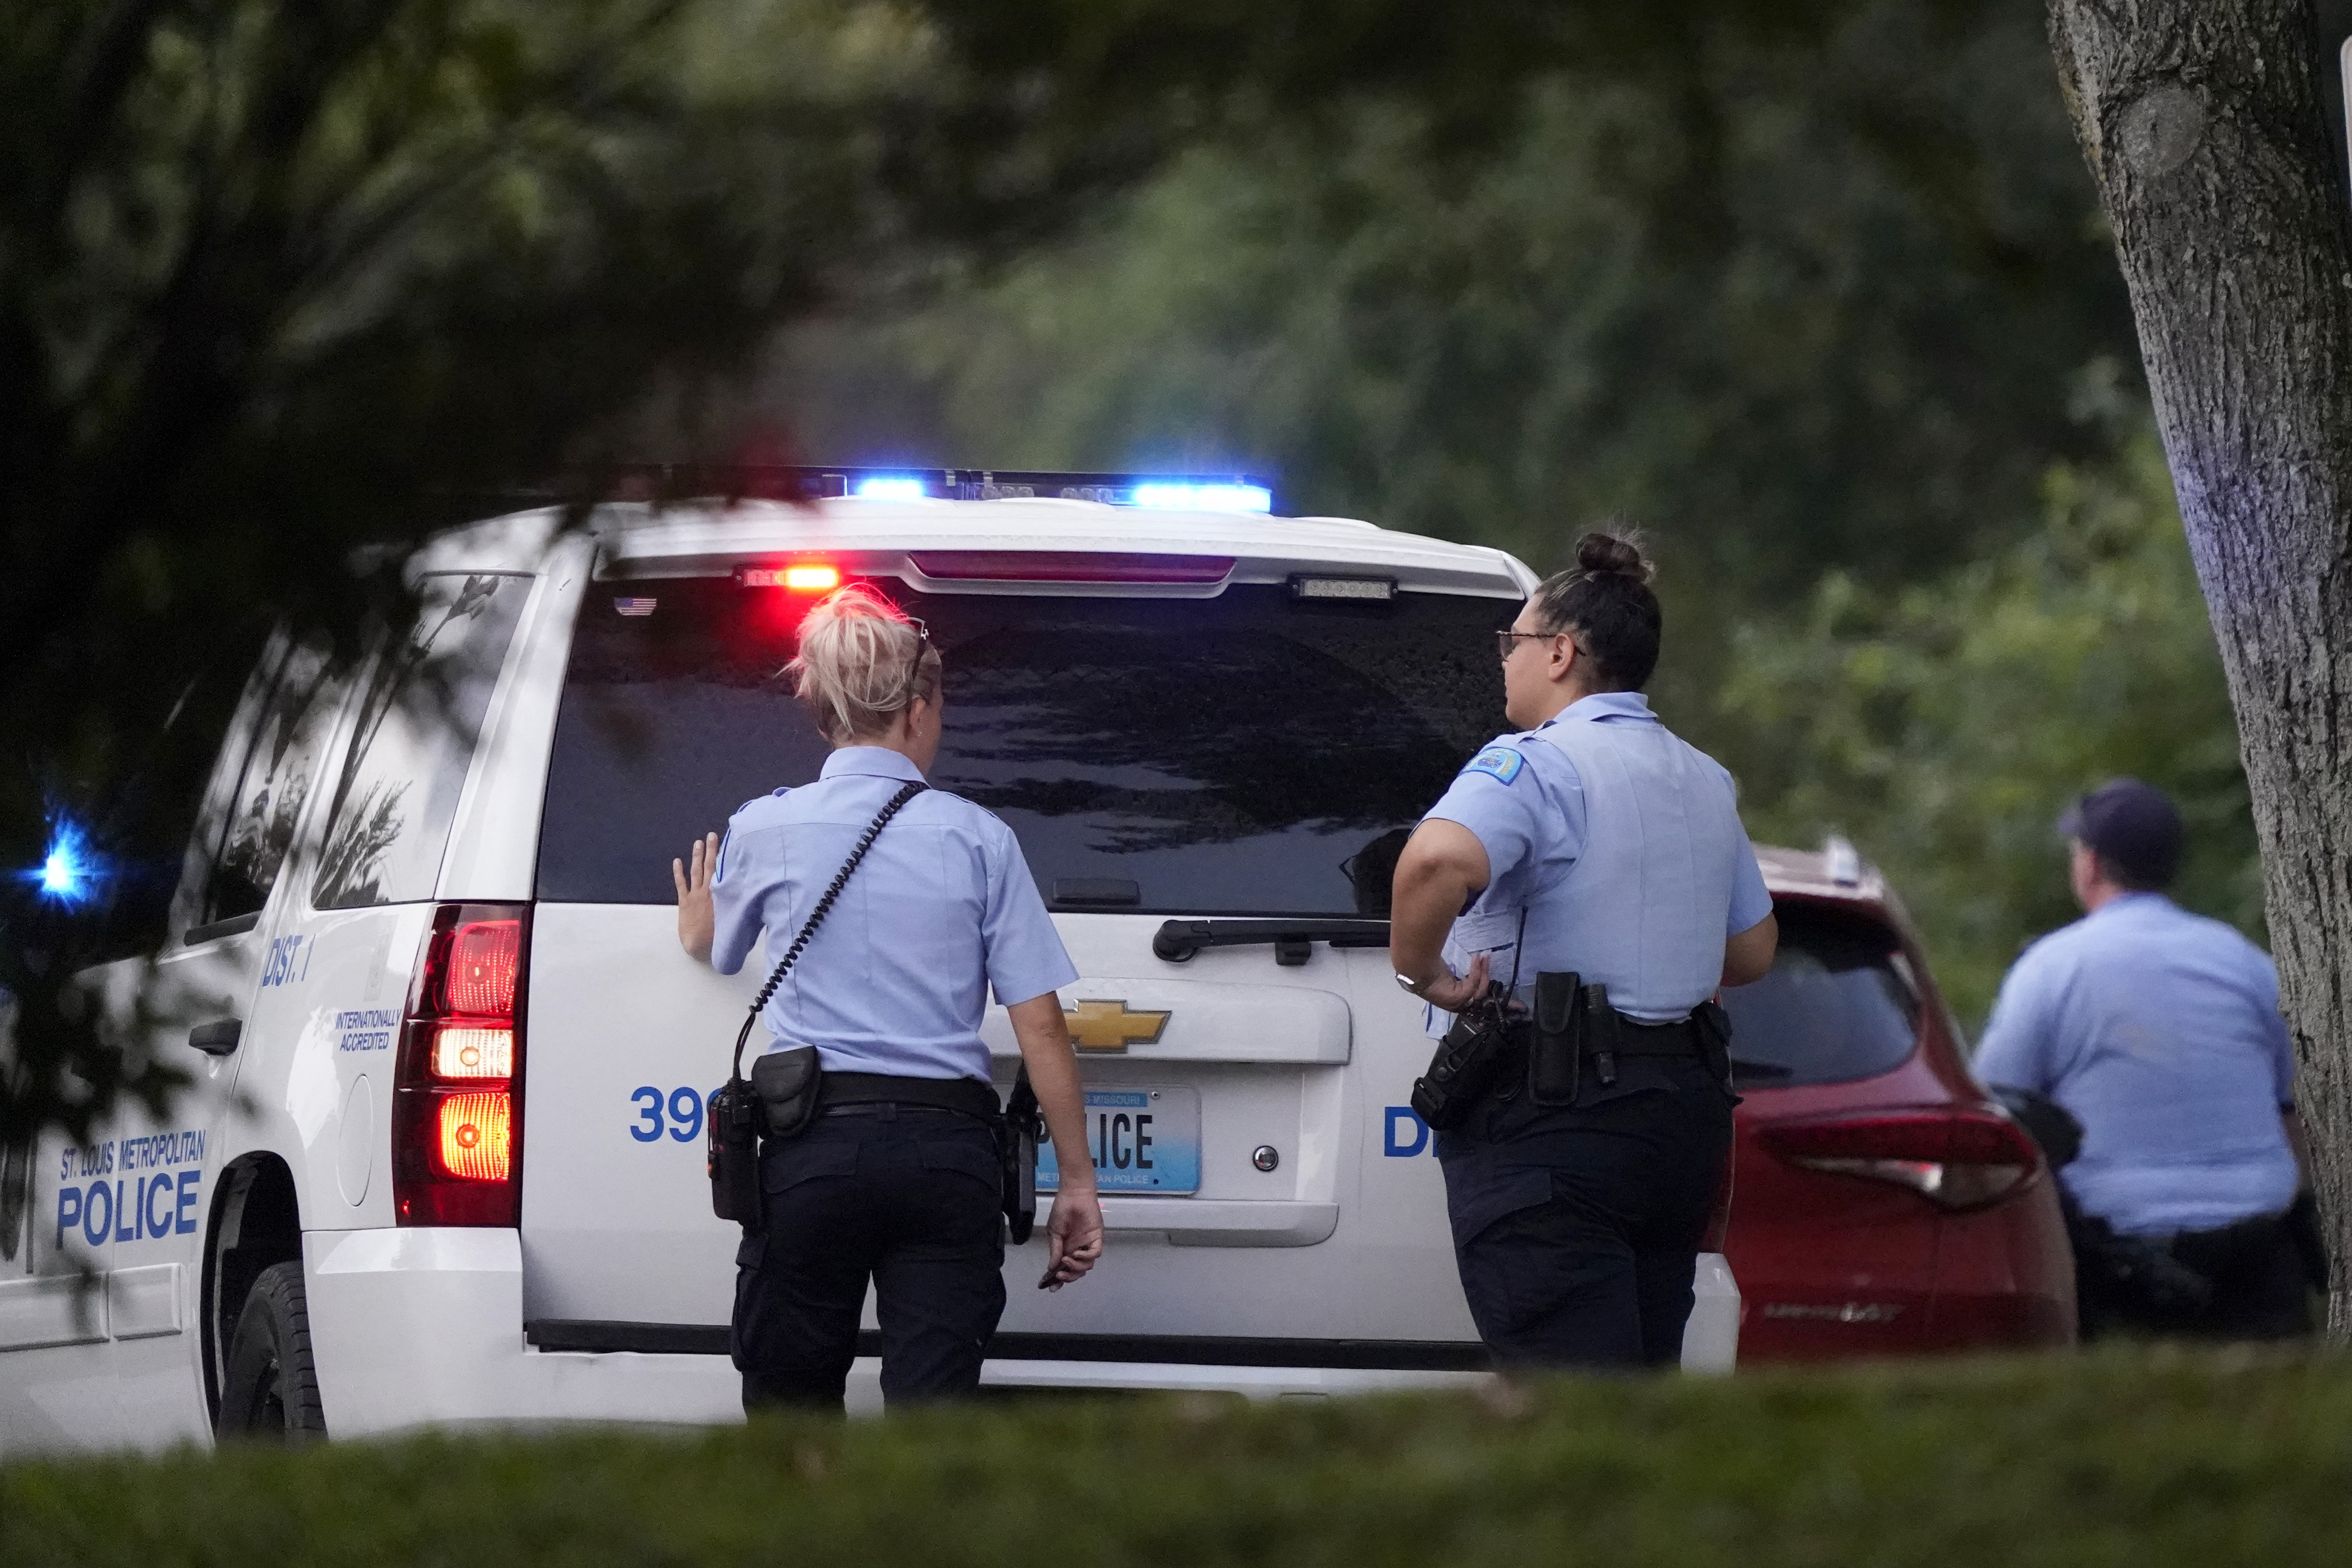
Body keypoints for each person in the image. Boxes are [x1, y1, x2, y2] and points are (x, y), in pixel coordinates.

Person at [672, 584, 1105, 1410]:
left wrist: (697, 926)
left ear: (824, 715)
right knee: (933, 1421)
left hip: (809, 1152)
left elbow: (720, 950)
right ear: (917, 710)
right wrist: (1076, 1183)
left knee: (790, 1403)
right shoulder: (980, 836)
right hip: (948, 1157)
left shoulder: (764, 827)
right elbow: (1041, 1026)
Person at [1388, 532, 1779, 1370]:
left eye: (1513, 643)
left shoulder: (1534, 765)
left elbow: (1432, 861)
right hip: (1679, 1120)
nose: (1503, 662)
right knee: (1636, 1391)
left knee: (1565, 1402)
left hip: (1553, 1114)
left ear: (1560, 652)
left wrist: (1423, 973)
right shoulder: (1703, 776)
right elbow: (1750, 952)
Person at [1974, 778, 2316, 1340]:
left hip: (2125, 1269)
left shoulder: (2051, 969)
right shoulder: (2244, 963)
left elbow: (1995, 1113)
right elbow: (2288, 1115)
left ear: (2091, 865)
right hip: (2260, 1261)